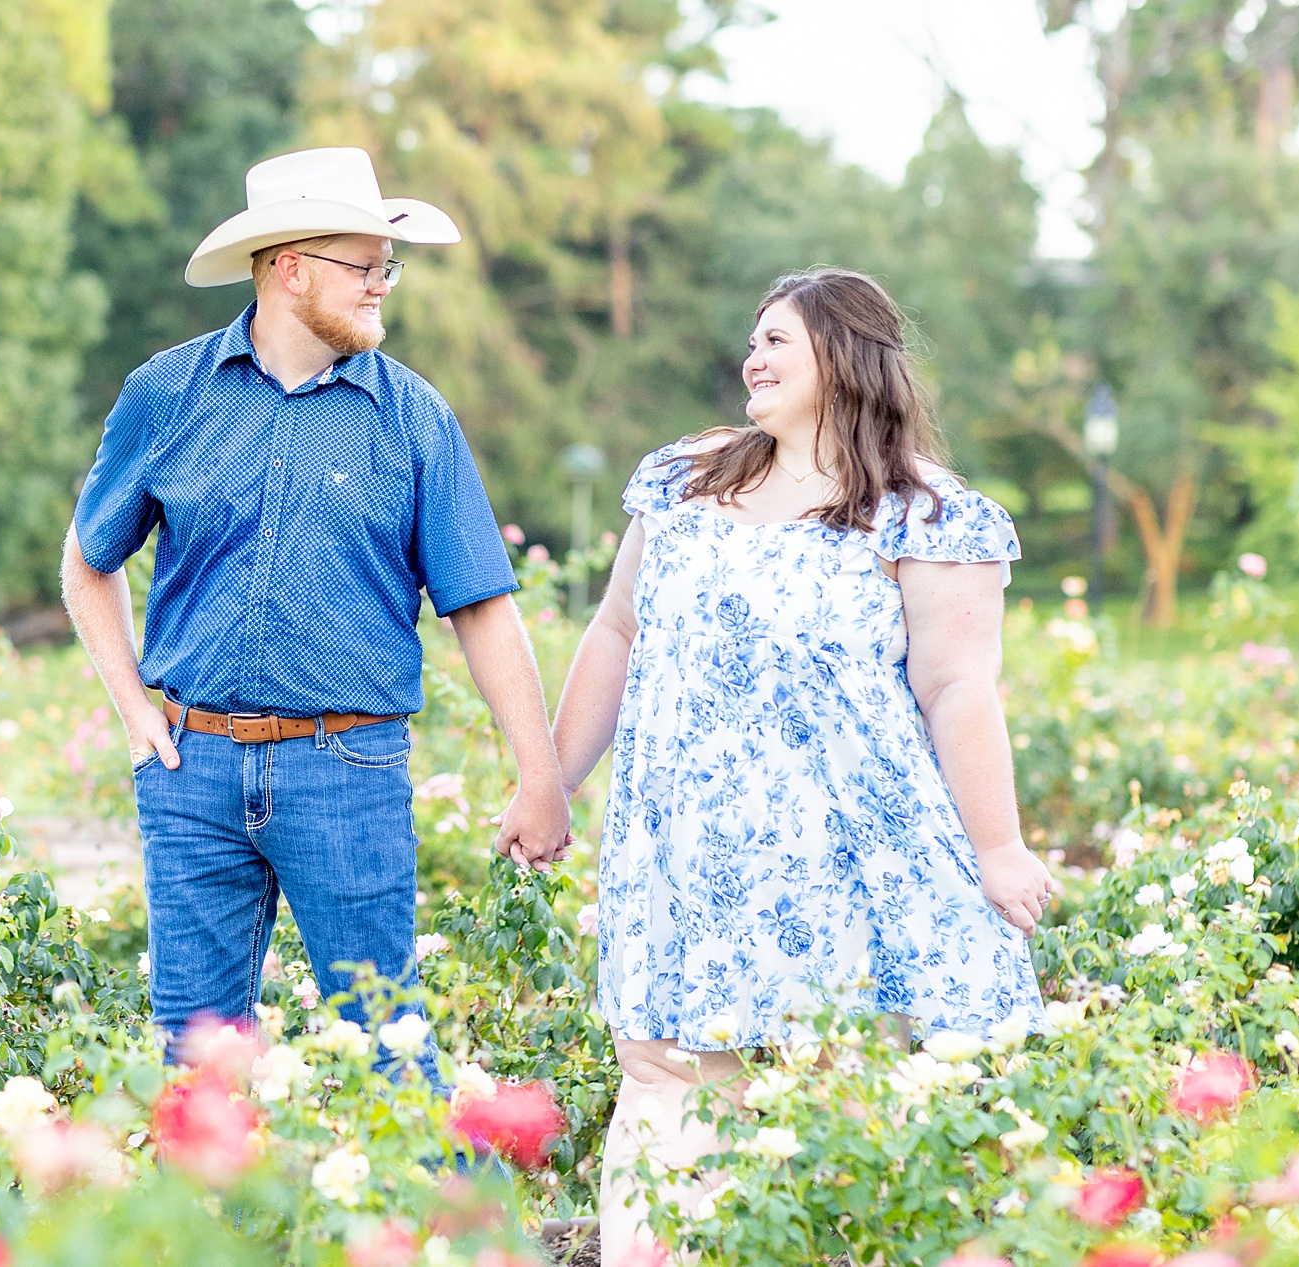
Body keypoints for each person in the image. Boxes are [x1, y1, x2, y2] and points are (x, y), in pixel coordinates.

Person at [550, 267, 1050, 1259]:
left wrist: (998, 846)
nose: (752, 355)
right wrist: (548, 783)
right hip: (681, 846)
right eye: (751, 338)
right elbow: (614, 632)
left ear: (846, 356)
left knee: (831, 1086)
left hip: (838, 854)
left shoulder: (928, 514)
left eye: (777, 338)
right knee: (664, 1071)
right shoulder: (687, 480)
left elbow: (959, 690)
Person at [61, 147, 570, 1066]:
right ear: (289, 270)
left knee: (388, 1048)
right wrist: (134, 710)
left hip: (348, 766)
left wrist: (540, 774)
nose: (383, 285)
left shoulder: (413, 418)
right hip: (192, 770)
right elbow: (88, 559)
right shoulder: (165, 394)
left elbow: (482, 605)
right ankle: (218, 1217)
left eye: (388, 266)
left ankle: (454, 1217)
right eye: (363, 265)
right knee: (195, 1057)